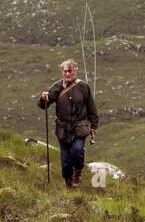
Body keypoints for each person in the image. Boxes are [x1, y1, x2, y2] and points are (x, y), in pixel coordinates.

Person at [38, 59, 99, 188]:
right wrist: (43, 98)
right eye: (64, 71)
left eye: (69, 71)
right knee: (65, 159)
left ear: (75, 71)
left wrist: (94, 126)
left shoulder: (84, 87)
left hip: (79, 127)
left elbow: (91, 107)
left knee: (77, 151)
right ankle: (69, 183)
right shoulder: (57, 87)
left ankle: (78, 172)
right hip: (63, 129)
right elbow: (44, 105)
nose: (67, 73)